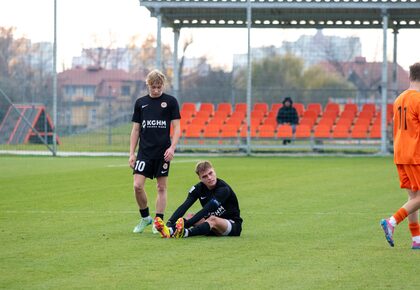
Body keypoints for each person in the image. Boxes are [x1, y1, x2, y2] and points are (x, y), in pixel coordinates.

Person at [129, 69, 181, 234]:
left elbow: (177, 128)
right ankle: (146, 218)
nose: (157, 90)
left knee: (161, 187)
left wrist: (172, 148)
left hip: (163, 152)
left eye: (159, 87)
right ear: (148, 85)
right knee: (137, 186)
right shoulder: (140, 103)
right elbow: (135, 130)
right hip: (144, 152)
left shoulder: (171, 102)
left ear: (163, 85)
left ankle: (158, 222)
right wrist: (131, 153)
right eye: (153, 87)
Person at [380, 62, 420, 250]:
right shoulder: (418, 99)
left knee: (414, 197)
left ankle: (416, 239)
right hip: (415, 154)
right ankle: (392, 221)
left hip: (400, 153)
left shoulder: (399, 99)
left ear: (410, 76)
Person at [153, 160, 243, 238]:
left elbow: (206, 210)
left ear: (214, 171)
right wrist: (169, 224)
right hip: (211, 223)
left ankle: (185, 233)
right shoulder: (197, 189)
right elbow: (184, 206)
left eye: (210, 173)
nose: (209, 178)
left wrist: (185, 225)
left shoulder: (223, 189)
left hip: (232, 226)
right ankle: (169, 231)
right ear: (199, 178)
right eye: (204, 176)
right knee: (190, 216)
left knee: (212, 219)